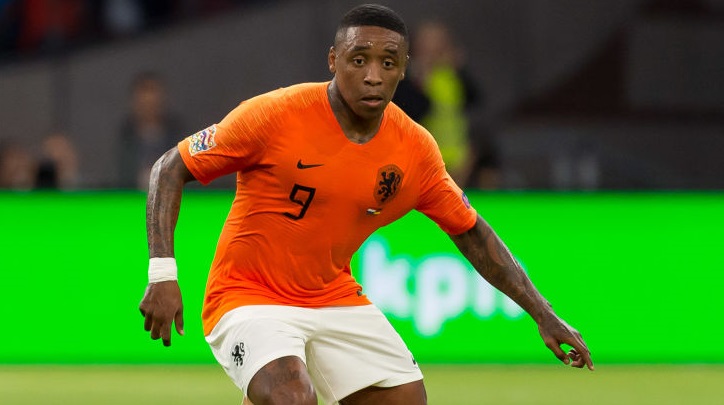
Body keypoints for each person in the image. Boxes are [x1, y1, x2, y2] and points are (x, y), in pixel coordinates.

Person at [139, 4, 593, 405]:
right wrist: (162, 273)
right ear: (333, 61)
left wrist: (543, 313)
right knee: (292, 397)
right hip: (246, 296)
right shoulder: (276, 114)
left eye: (388, 62)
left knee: (405, 398)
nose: (373, 75)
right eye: (359, 60)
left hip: (332, 297)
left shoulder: (414, 150)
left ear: (404, 69)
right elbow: (169, 168)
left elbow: (471, 231)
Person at [117, 71, 182, 190]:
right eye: (144, 102)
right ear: (134, 102)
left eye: (153, 101)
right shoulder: (123, 139)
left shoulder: (180, 137)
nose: (149, 105)